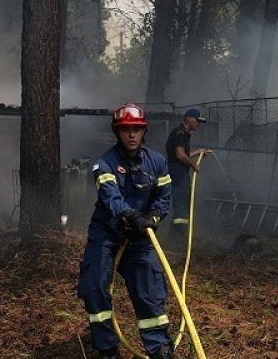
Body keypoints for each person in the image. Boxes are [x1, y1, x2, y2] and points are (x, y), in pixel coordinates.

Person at [78, 103, 175, 359]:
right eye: (125, 130)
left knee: (150, 292)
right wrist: (129, 215)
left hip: (140, 236)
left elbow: (163, 198)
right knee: (94, 286)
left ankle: (160, 350)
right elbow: (111, 197)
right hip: (107, 234)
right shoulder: (104, 165)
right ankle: (107, 349)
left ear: (144, 132)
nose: (131, 134)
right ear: (116, 132)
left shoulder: (158, 163)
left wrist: (151, 219)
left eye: (136, 129)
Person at [165, 107, 207, 245]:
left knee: (183, 203)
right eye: (197, 120)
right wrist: (194, 165)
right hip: (178, 172)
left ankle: (178, 235)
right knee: (181, 204)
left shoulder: (183, 133)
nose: (199, 124)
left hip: (178, 170)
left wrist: (198, 152)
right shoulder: (180, 133)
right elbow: (179, 155)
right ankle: (177, 238)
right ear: (189, 118)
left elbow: (183, 154)